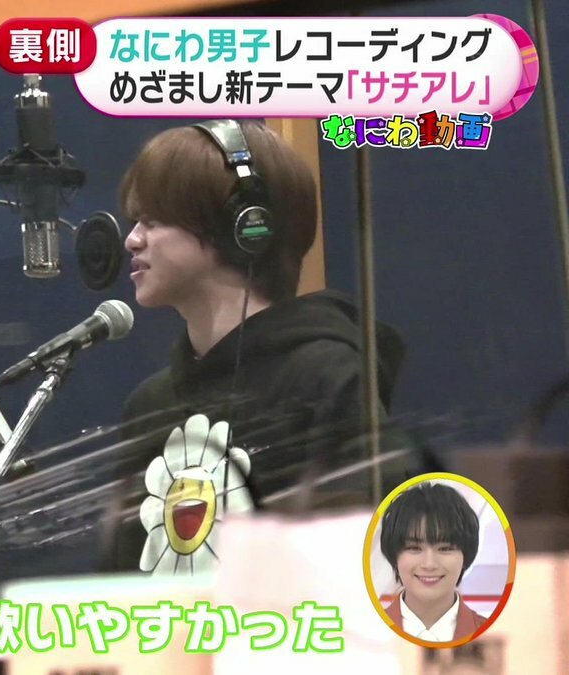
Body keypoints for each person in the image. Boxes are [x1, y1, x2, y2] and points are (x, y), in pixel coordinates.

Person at [109, 120, 408, 573]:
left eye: (153, 220)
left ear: (245, 226)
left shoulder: (324, 377)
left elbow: (372, 560)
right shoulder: (149, 405)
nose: (132, 239)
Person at [380, 482, 489, 642]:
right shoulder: (366, 635)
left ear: (465, 556)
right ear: (394, 555)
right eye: (414, 548)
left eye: (445, 548)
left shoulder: (493, 633)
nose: (429, 564)